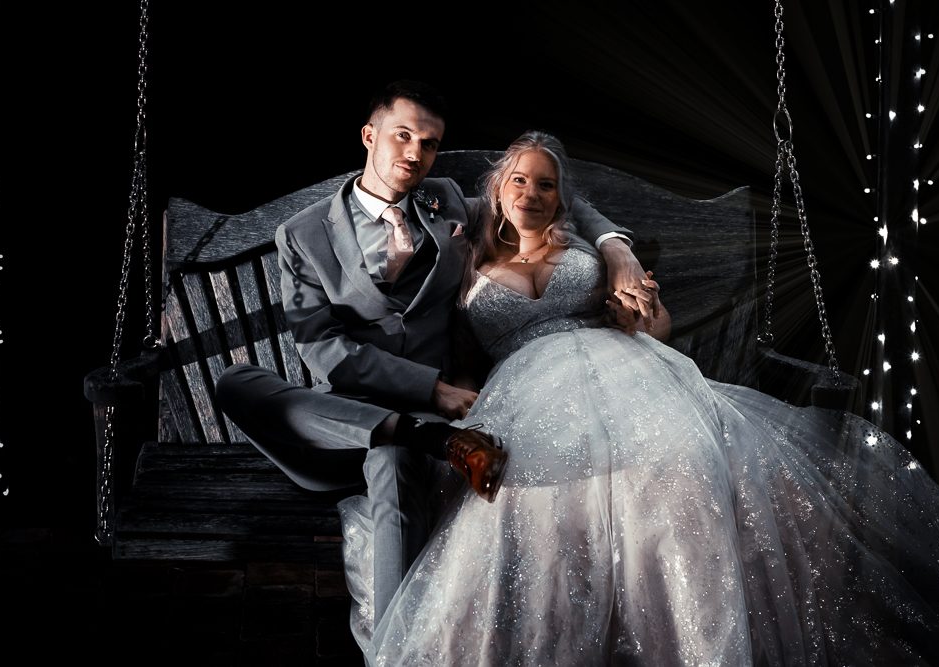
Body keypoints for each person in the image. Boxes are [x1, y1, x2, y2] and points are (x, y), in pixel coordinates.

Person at [337, 131, 939, 665]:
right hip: (526, 383)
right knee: (529, 492)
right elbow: (409, 293)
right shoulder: (465, 252)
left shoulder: (583, 244)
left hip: (621, 362)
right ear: (498, 189)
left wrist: (635, 295)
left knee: (684, 464)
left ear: (562, 198)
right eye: (520, 180)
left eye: (547, 185)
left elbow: (651, 326)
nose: (531, 193)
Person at [213, 83, 651, 626]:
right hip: (347, 420)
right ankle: (419, 436)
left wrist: (615, 245)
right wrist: (433, 392)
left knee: (393, 462)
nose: (416, 153)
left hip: (429, 424)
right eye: (403, 136)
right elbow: (321, 347)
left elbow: (542, 199)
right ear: (369, 136)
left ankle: (395, 648)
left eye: (429, 143)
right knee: (234, 380)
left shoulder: (442, 200)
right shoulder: (302, 235)